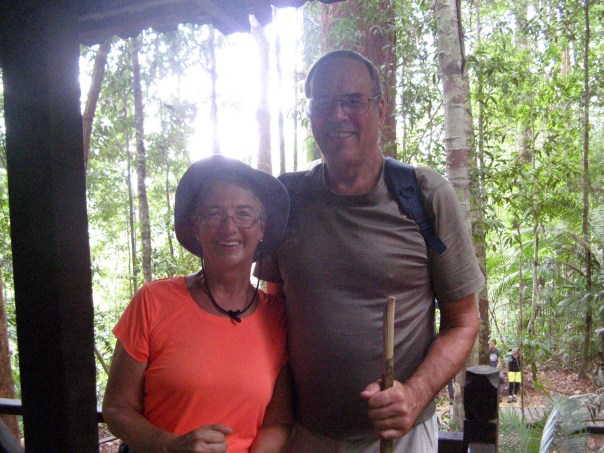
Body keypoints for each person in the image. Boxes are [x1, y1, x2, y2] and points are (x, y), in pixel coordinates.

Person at [257, 50, 485, 452]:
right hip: (304, 435)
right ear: (310, 115)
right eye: (323, 103)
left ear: (380, 109)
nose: (337, 115)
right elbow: (273, 311)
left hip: (400, 437)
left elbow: (463, 321)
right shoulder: (287, 198)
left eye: (353, 101)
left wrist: (414, 395)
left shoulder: (424, 194)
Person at [103, 155, 292, 453]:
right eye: (214, 214)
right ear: (196, 226)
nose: (229, 227)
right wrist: (169, 445)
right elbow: (117, 408)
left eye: (243, 214)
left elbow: (278, 422)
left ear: (261, 228)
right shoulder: (153, 301)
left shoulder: (277, 316)